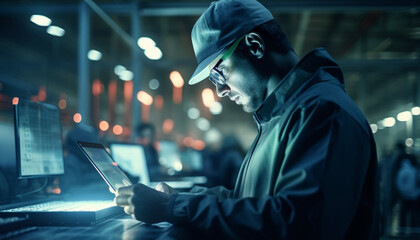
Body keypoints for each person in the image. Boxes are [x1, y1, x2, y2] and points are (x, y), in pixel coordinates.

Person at [114, 0, 379, 239]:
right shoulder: (280, 116)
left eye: (219, 73)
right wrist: (181, 198)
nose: (219, 90)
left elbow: (298, 223)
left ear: (255, 45)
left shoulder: (323, 111)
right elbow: (250, 199)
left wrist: (173, 208)